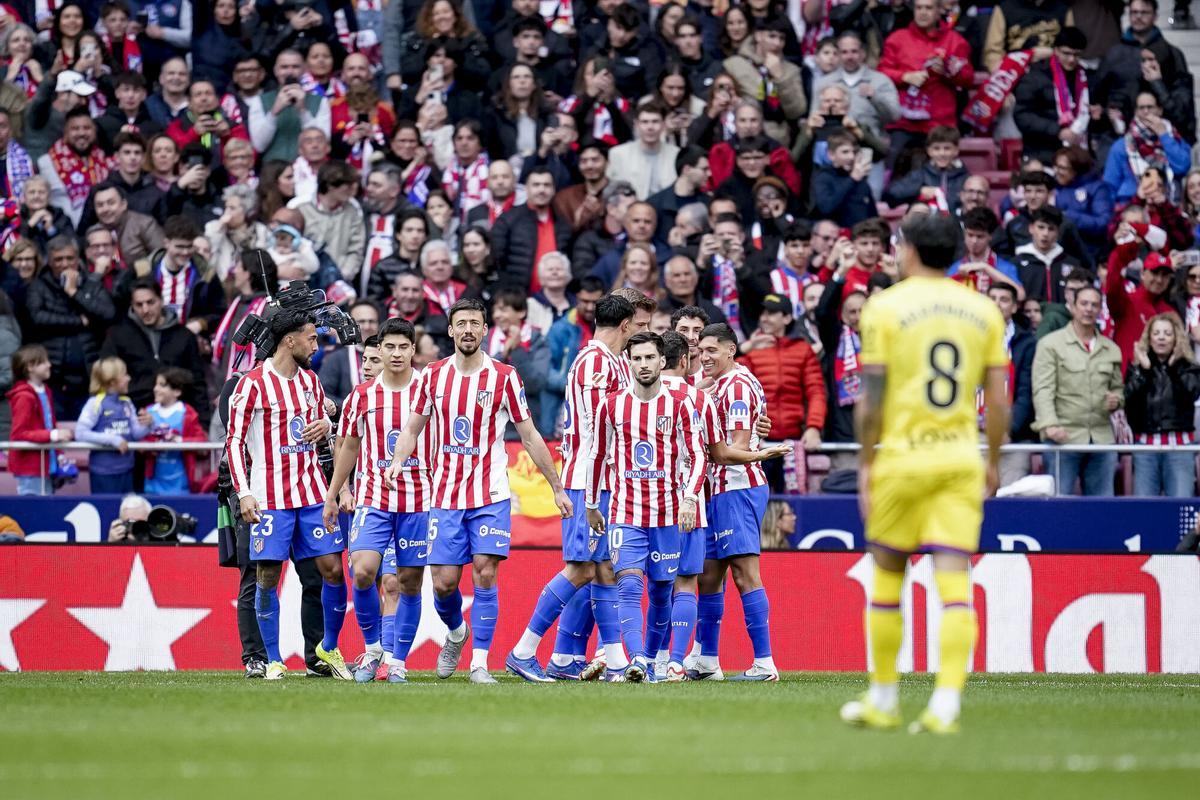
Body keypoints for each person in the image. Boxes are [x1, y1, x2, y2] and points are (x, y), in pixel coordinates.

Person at [841, 213, 1009, 734]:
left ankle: (885, 698)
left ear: (908, 248)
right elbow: (999, 399)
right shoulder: (983, 310)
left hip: (903, 459)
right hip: (959, 459)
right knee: (955, 579)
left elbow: (871, 400)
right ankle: (945, 706)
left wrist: (866, 462)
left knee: (889, 576)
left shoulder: (885, 307)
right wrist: (994, 460)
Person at [383, 297, 571, 683]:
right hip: (446, 497)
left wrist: (557, 486)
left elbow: (530, 435)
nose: (468, 329)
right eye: (461, 323)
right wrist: (398, 461)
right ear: (451, 330)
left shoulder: (504, 376)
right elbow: (413, 427)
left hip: (491, 494)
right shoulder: (433, 375)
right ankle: (456, 632)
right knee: (444, 582)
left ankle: (480, 662)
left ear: (485, 330)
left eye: (475, 323)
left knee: (485, 573)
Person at [503, 294, 639, 681]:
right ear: (626, 325)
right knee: (581, 568)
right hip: (589, 478)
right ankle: (523, 650)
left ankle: (615, 663)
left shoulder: (607, 360)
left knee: (603, 568)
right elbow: (599, 429)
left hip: (604, 477)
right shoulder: (596, 361)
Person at [226, 309, 352, 682]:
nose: (316, 345)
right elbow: (233, 442)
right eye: (312, 338)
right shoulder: (252, 384)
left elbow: (324, 433)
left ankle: (327, 646)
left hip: (312, 492)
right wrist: (244, 493)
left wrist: (327, 424)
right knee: (267, 574)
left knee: (332, 569)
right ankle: (274, 659)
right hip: (270, 496)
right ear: (290, 340)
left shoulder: (311, 382)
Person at [575, 331, 707, 682]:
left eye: (650, 358)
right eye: (637, 358)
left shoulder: (680, 404)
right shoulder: (613, 404)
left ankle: (651, 659)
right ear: (628, 362)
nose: (643, 365)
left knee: (662, 590)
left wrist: (690, 498)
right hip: (625, 512)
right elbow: (597, 454)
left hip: (668, 513)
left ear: (662, 362)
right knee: (629, 586)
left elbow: (698, 455)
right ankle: (637, 660)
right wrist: (591, 503)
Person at [322, 318, 434, 684]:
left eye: (404, 347)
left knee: (408, 582)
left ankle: (397, 661)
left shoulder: (429, 389)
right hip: (374, 498)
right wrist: (334, 493)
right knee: (364, 571)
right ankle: (372, 650)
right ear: (379, 351)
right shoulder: (362, 396)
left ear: (413, 351)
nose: (397, 354)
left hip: (419, 500)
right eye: (390, 347)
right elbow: (349, 446)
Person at [686, 322, 779, 681]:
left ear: (730, 350)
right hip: (716, 490)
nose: (704, 357)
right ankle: (707, 661)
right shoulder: (719, 384)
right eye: (701, 350)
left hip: (736, 487)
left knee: (745, 573)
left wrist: (702, 454)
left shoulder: (737, 387)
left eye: (712, 350)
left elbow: (738, 446)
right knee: (708, 576)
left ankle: (764, 663)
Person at [1031, 284, 1124, 496]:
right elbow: (1042, 389)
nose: (1089, 309)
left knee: (1102, 510)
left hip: (1101, 438)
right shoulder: (1050, 344)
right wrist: (1050, 424)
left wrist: (1116, 400)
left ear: (1101, 310)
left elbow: (1118, 389)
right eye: (1083, 303)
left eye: (1094, 305)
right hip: (1063, 437)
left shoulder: (1111, 348)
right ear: (1072, 307)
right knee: (1058, 506)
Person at [877, 0, 973, 175]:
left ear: (938, 11)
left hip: (940, 122)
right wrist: (905, 77)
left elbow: (967, 79)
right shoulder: (897, 39)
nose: (923, 12)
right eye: (919, 7)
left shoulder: (955, 41)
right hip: (903, 122)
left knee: (942, 174)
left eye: (928, 8)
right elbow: (881, 72)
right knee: (891, 172)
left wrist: (947, 72)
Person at [27, 235, 117, 419]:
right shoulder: (39, 286)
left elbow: (108, 314)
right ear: (49, 262)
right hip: (53, 379)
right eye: (58, 259)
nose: (65, 264)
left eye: (70, 258)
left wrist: (74, 292)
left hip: (89, 377)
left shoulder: (91, 284)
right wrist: (79, 321)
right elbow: (38, 318)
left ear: (78, 259)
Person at [99, 277, 206, 415]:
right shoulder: (118, 335)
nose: (145, 310)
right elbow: (107, 376)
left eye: (150, 302)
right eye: (139, 304)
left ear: (161, 301)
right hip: (133, 414)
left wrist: (203, 424)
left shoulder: (184, 336)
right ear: (132, 305)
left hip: (178, 416)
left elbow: (198, 383)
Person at [738, 293, 827, 455]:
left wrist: (814, 428)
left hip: (796, 441)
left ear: (786, 319)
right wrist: (748, 433)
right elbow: (740, 397)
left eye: (771, 313)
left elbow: (816, 392)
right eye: (763, 313)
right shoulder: (750, 350)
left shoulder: (803, 349)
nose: (764, 318)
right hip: (758, 442)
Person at [1125, 312, 1200, 496]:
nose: (1161, 338)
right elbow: (1128, 400)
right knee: (1144, 509)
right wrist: (1143, 372)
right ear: (1149, 338)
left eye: (1167, 333)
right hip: (1146, 447)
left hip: (1179, 448)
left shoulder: (1189, 367)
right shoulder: (1137, 367)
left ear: (1176, 338)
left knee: (1180, 506)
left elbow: (1192, 393)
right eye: (1156, 333)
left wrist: (1175, 368)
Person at [723, 15, 806, 147]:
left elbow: (796, 111)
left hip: (777, 142)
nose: (777, 43)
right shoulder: (733, 65)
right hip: (740, 140)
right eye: (772, 36)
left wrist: (780, 77)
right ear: (758, 36)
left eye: (781, 38)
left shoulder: (791, 70)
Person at [1012, 27, 1090, 164]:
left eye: (1077, 55)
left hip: (1077, 154)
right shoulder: (1035, 76)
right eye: (1066, 53)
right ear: (1055, 50)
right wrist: (1057, 131)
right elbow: (1022, 116)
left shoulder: (1086, 77)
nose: (1071, 59)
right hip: (1041, 153)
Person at [74, 356, 148, 494]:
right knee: (108, 514)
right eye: (125, 374)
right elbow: (80, 433)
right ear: (113, 381)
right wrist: (113, 440)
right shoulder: (95, 403)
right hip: (104, 472)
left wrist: (148, 424)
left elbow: (135, 434)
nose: (129, 378)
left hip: (127, 469)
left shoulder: (127, 402)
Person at [7, 344, 74, 496]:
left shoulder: (46, 391)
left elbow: (49, 423)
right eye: (43, 361)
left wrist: (58, 454)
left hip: (47, 465)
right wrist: (53, 435)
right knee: (33, 511)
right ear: (30, 367)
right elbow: (19, 434)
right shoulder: (24, 396)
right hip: (31, 468)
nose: (49, 365)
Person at [490, 167, 571, 292]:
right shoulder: (508, 219)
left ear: (554, 189)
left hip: (554, 296)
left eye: (546, 185)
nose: (541, 190)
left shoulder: (562, 223)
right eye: (536, 185)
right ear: (526, 189)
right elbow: (496, 259)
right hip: (518, 298)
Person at [1102, 91, 1191, 204]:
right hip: (1132, 207)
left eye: (1150, 107)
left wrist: (1163, 135)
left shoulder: (1173, 138)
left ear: (1159, 110)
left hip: (1168, 205)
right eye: (1141, 108)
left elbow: (1182, 167)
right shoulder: (1122, 146)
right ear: (1136, 112)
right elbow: (1110, 186)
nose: (1146, 111)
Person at [141, 366, 206, 495]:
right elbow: (141, 442)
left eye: (162, 385)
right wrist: (151, 445)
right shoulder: (149, 412)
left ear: (177, 391)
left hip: (181, 483)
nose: (155, 389)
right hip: (153, 483)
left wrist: (178, 440)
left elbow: (201, 441)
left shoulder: (187, 412)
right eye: (156, 384)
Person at [1013, 206, 1082, 303]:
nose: (1045, 233)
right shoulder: (1017, 263)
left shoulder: (1071, 264)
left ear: (1058, 232)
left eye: (1051, 229)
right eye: (1041, 227)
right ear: (1031, 228)